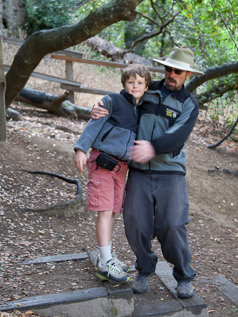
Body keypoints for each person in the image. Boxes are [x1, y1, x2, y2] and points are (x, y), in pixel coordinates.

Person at [92, 47, 203, 298]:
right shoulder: (147, 92)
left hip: (171, 173)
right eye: (168, 69)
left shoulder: (189, 103)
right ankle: (144, 268)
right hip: (139, 172)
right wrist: (99, 107)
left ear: (187, 74)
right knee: (135, 223)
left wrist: (153, 147)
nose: (172, 74)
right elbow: (121, 104)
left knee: (172, 224)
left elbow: (179, 136)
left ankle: (184, 275)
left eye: (178, 71)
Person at [74, 64, 151, 284]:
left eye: (139, 83)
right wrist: (81, 149)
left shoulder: (142, 109)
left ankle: (106, 256)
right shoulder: (112, 101)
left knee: (113, 211)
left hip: (122, 168)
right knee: (105, 210)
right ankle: (106, 261)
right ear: (124, 83)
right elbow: (94, 124)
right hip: (103, 163)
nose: (134, 86)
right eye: (130, 82)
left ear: (146, 87)